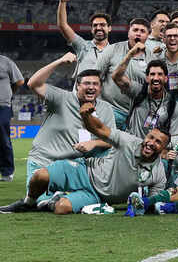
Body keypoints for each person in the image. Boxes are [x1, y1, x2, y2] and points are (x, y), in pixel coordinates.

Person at [2, 101, 169, 214]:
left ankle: (56, 198)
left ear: (163, 149)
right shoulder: (129, 142)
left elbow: (152, 202)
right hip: (84, 171)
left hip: (97, 197)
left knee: (62, 208)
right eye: (151, 138)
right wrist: (86, 116)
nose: (151, 143)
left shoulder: (158, 173)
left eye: (158, 142)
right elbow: (100, 130)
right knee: (40, 176)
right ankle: (28, 203)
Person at [16, 54, 116, 198]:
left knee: (65, 203)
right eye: (87, 83)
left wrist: (93, 143)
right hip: (44, 162)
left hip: (71, 167)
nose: (91, 87)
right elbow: (33, 83)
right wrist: (59, 61)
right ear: (77, 86)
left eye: (95, 84)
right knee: (41, 201)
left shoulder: (105, 108)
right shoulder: (61, 98)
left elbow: (111, 140)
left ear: (100, 88)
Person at [94, 18, 151, 128]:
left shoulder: (151, 58)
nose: (138, 33)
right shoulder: (112, 49)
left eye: (142, 31)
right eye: (135, 30)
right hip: (110, 111)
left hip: (135, 116)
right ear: (129, 32)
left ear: (148, 35)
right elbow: (95, 76)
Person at [56, 0, 110, 77]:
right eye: (95, 25)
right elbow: (63, 26)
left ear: (109, 28)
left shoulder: (115, 51)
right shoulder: (83, 46)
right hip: (80, 91)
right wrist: (63, 2)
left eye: (102, 25)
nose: (98, 28)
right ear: (91, 29)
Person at [0, 53, 24, 181]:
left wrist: (8, 94)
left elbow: (19, 81)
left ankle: (7, 172)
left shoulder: (6, 62)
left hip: (2, 106)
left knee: (3, 138)